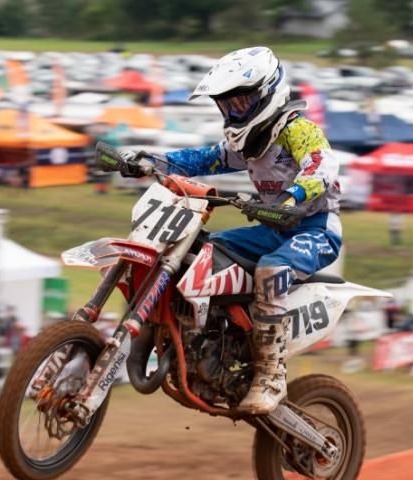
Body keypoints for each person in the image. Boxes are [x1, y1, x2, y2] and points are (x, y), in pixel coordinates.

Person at [125, 47, 342, 414]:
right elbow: (204, 159)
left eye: (243, 102)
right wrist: (150, 161)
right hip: (272, 228)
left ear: (269, 92)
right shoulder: (249, 145)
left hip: (315, 228)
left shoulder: (297, 131)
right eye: (228, 105)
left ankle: (270, 376)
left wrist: (291, 197)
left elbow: (321, 165)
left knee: (271, 270)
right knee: (200, 252)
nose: (236, 112)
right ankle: (214, 339)